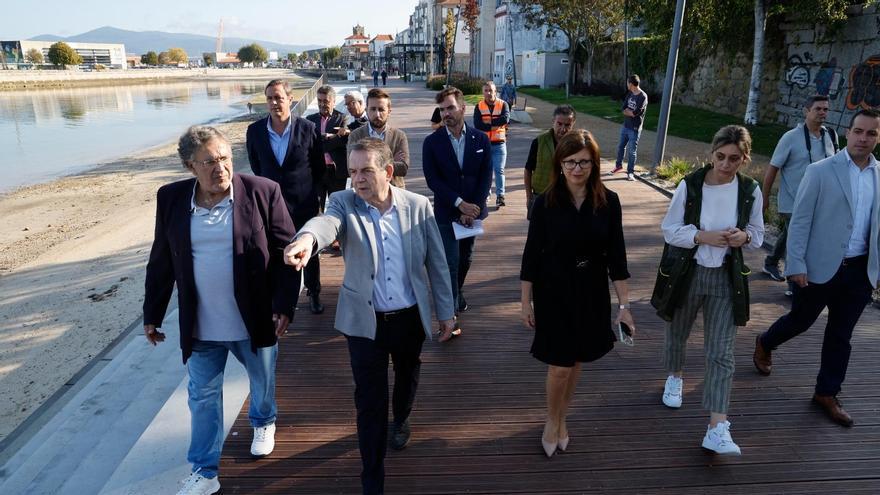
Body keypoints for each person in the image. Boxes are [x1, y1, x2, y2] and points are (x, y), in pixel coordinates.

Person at [283, 139, 455, 495]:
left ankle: (402, 418)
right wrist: (306, 241)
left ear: (388, 172)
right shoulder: (343, 202)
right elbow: (325, 224)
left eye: (365, 170)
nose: (357, 179)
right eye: (352, 171)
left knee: (408, 375)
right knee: (369, 401)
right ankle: (372, 477)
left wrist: (447, 313)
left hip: (408, 317)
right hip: (364, 323)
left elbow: (437, 263)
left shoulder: (418, 206)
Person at [144, 126, 299, 495]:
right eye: (209, 162)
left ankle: (263, 420)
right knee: (201, 397)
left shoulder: (262, 192)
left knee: (262, 381)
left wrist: (283, 305)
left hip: (253, 318)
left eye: (225, 158)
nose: (221, 168)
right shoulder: (171, 198)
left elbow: (287, 253)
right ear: (189, 166)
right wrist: (152, 313)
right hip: (200, 325)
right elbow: (161, 260)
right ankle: (204, 470)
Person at [753, 109, 880, 428]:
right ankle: (766, 341)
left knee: (841, 334)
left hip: (860, 272)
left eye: (871, 133)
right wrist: (795, 263)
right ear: (847, 132)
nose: (863, 138)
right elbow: (800, 221)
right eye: (858, 131)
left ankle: (827, 393)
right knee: (801, 320)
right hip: (819, 266)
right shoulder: (821, 170)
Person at [520, 129, 634, 458]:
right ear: (559, 163)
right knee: (559, 364)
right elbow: (531, 255)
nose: (576, 168)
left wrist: (624, 305)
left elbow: (618, 257)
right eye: (570, 162)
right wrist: (525, 301)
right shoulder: (545, 202)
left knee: (578, 359)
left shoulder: (608, 201)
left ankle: (562, 417)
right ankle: (551, 421)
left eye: (584, 162)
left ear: (595, 164)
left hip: (592, 289)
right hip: (553, 289)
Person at [656, 125, 764, 455]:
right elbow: (669, 230)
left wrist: (742, 237)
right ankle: (674, 376)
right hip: (688, 272)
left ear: (744, 159)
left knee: (722, 352)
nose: (725, 164)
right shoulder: (690, 185)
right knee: (678, 330)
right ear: (711, 153)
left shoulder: (750, 190)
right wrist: (702, 236)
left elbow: (758, 234)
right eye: (720, 157)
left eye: (734, 158)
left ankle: (717, 427)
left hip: (725, 278)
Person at [246, 79, 326, 315]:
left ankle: (314, 292)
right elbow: (256, 167)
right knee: (274, 252)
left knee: (309, 252)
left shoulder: (308, 129)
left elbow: (319, 167)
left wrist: (317, 200)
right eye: (269, 97)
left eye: (278, 97)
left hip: (303, 203)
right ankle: (281, 300)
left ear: (290, 100)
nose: (273, 102)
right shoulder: (255, 131)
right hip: (271, 206)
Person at [423, 86, 492, 329]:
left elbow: (486, 176)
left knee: (466, 258)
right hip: (446, 211)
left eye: (450, 108)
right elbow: (433, 180)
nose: (446, 114)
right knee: (449, 261)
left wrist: (473, 207)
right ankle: (450, 309)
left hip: (473, 212)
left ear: (463, 108)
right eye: (442, 110)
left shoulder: (481, 139)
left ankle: (458, 290)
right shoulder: (432, 143)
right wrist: (459, 204)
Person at [762, 95, 838, 295]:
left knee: (790, 235)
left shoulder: (830, 135)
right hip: (792, 202)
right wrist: (764, 198)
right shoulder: (790, 138)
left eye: (825, 109)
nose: (822, 113)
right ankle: (793, 284)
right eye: (818, 109)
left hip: (819, 203)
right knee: (799, 238)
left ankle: (770, 262)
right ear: (806, 111)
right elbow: (772, 169)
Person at [347, 88, 410, 189]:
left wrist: (367, 165)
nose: (377, 114)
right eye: (373, 109)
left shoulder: (399, 136)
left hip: (393, 192)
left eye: (381, 109)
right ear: (367, 110)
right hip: (363, 193)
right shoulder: (355, 135)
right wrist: (391, 161)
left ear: (389, 111)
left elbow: (403, 169)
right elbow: (351, 169)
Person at [524, 104, 576, 218]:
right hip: (541, 194)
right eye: (559, 124)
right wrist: (529, 196)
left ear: (573, 124)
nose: (563, 129)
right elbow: (528, 169)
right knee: (539, 232)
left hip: (568, 196)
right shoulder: (539, 142)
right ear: (553, 121)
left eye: (567, 125)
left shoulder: (577, 145)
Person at [306, 85, 350, 212]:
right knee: (316, 209)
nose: (322, 104)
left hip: (336, 171)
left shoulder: (342, 118)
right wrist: (327, 136)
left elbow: (341, 141)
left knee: (337, 209)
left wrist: (320, 141)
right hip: (317, 171)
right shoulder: (310, 120)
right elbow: (309, 143)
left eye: (325, 101)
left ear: (333, 101)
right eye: (319, 101)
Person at [473, 80, 510, 206]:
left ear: (496, 91)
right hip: (484, 144)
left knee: (499, 170)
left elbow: (505, 119)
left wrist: (488, 124)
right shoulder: (479, 106)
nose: (489, 93)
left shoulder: (503, 104)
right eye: (486, 91)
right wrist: (494, 125)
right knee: (485, 170)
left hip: (499, 144)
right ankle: (486, 194)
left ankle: (500, 195)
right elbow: (477, 124)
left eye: (491, 90)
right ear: (483, 92)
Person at [610, 74, 648, 181]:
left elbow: (636, 113)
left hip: (635, 128)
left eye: (628, 83)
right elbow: (623, 108)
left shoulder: (643, 97)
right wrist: (628, 112)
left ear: (631, 84)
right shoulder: (630, 94)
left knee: (632, 151)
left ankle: (630, 172)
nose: (627, 84)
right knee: (621, 146)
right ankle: (618, 166)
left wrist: (629, 112)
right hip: (625, 126)